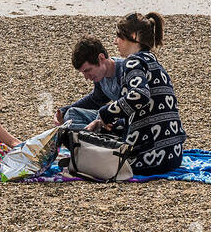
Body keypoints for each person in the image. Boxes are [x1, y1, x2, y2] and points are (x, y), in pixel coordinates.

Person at [86, 11, 187, 175]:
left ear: (134, 36)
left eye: (119, 36)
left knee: (89, 160)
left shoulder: (133, 62)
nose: (115, 42)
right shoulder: (154, 63)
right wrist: (107, 123)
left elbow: (140, 95)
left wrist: (105, 113)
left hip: (150, 159)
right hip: (174, 156)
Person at [54, 37, 122, 129]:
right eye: (83, 73)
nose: (86, 77)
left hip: (130, 121)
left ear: (101, 58)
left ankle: (91, 139)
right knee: (71, 114)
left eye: (87, 70)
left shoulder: (126, 71)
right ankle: (90, 138)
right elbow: (95, 100)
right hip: (113, 118)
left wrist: (101, 123)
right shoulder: (101, 76)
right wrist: (64, 111)